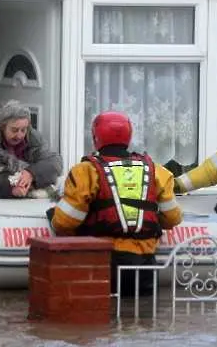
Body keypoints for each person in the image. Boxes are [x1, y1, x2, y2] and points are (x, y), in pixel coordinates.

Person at [48, 111, 183, 297]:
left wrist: (53, 217)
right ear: (129, 137)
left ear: (96, 138)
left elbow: (64, 222)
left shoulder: (86, 171)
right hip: (146, 266)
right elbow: (173, 218)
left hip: (104, 264)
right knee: (141, 318)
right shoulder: (156, 170)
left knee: (105, 320)